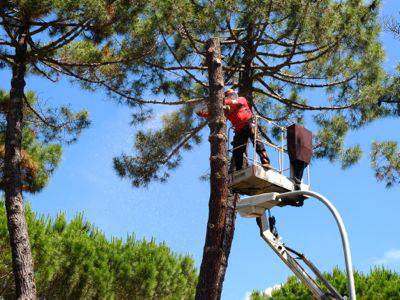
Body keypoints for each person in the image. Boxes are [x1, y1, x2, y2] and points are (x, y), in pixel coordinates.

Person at [197, 89, 271, 171]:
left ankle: (265, 162)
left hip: (249, 124)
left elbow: (234, 102)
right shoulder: (227, 111)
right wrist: (202, 113)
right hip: (239, 129)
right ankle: (239, 169)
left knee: (257, 142)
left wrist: (220, 102)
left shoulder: (241, 99)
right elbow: (213, 113)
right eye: (229, 96)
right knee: (237, 151)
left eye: (232, 95)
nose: (231, 97)